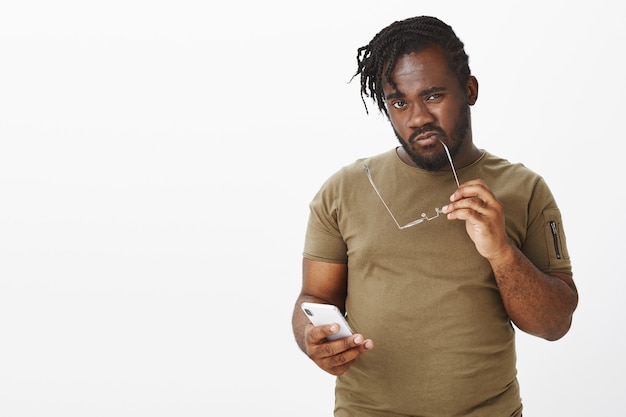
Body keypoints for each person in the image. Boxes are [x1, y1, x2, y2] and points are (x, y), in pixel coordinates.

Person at [291, 15, 578, 417]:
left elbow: (554, 324)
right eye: (399, 102)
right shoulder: (343, 190)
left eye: (433, 95)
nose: (417, 117)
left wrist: (501, 251)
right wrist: (312, 339)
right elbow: (315, 298)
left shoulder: (524, 190)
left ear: (470, 90)